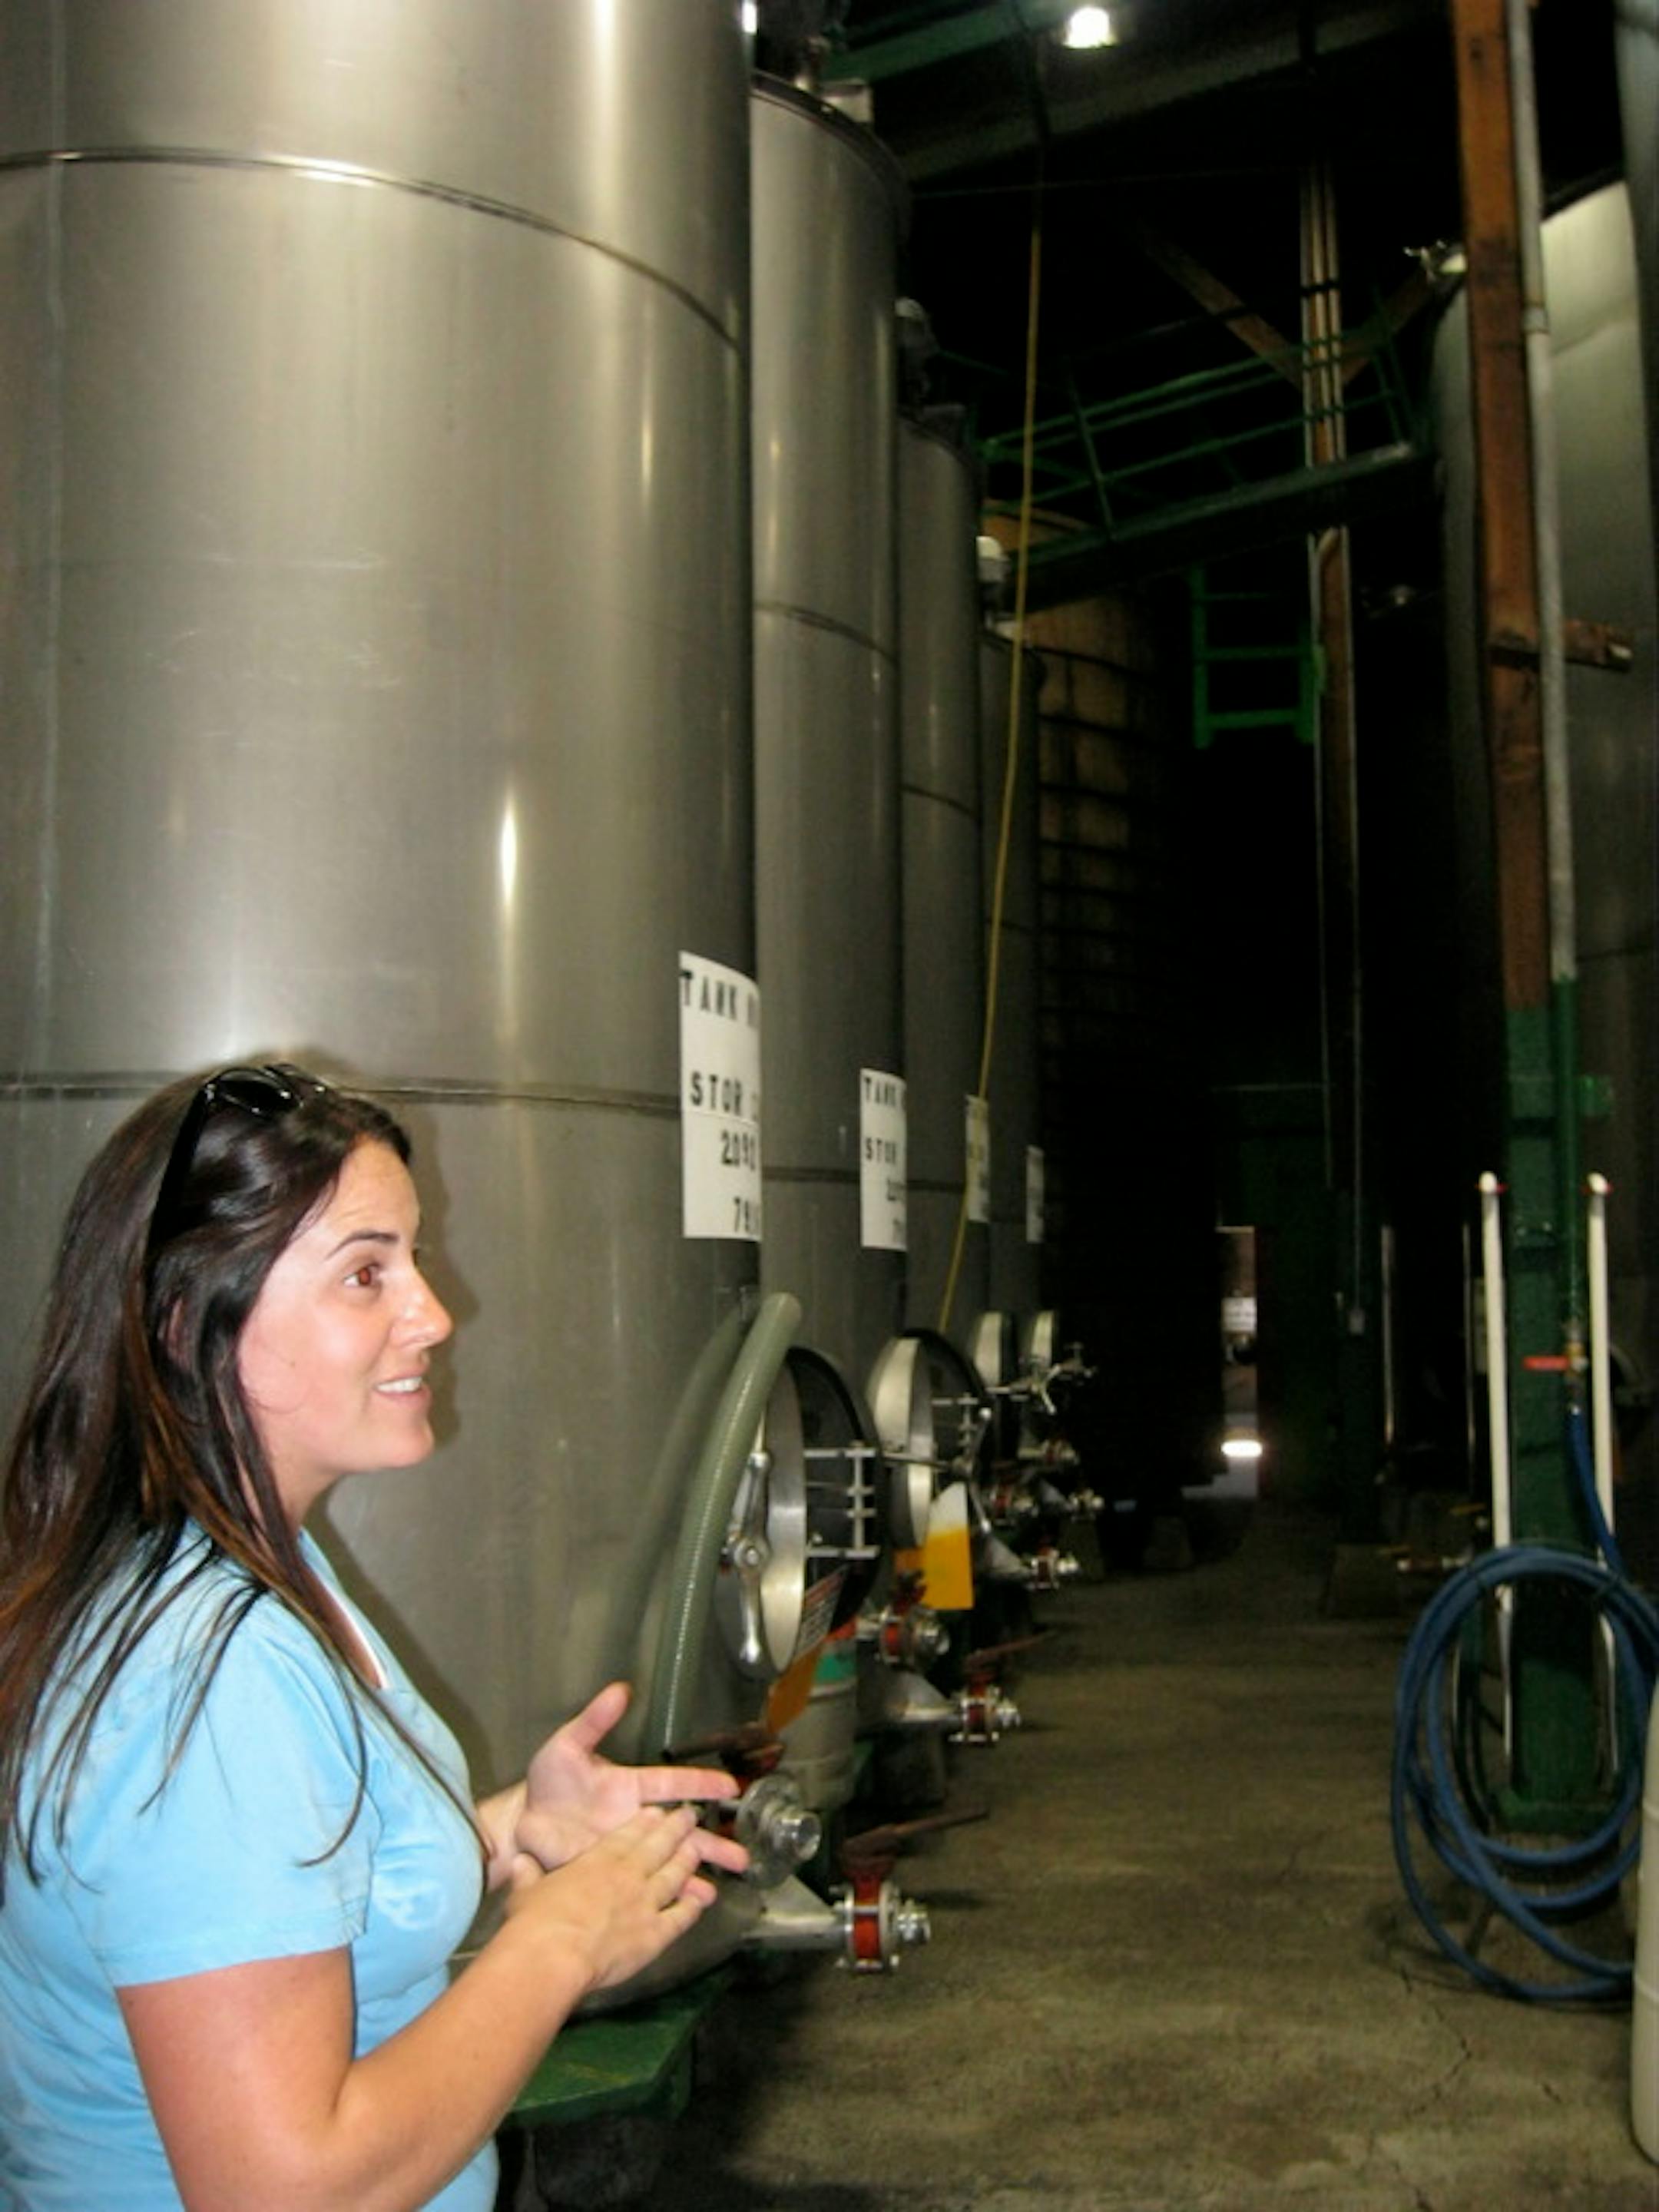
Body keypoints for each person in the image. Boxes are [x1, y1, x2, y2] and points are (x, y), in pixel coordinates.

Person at [0, 1063, 748, 2211]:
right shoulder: (203, 1678)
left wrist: (503, 1832)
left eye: (414, 1258)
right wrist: (555, 1947)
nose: (434, 1315)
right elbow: (281, 2191)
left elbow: (287, 1891)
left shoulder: (249, 1572)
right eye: (365, 1273)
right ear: (192, 1320)